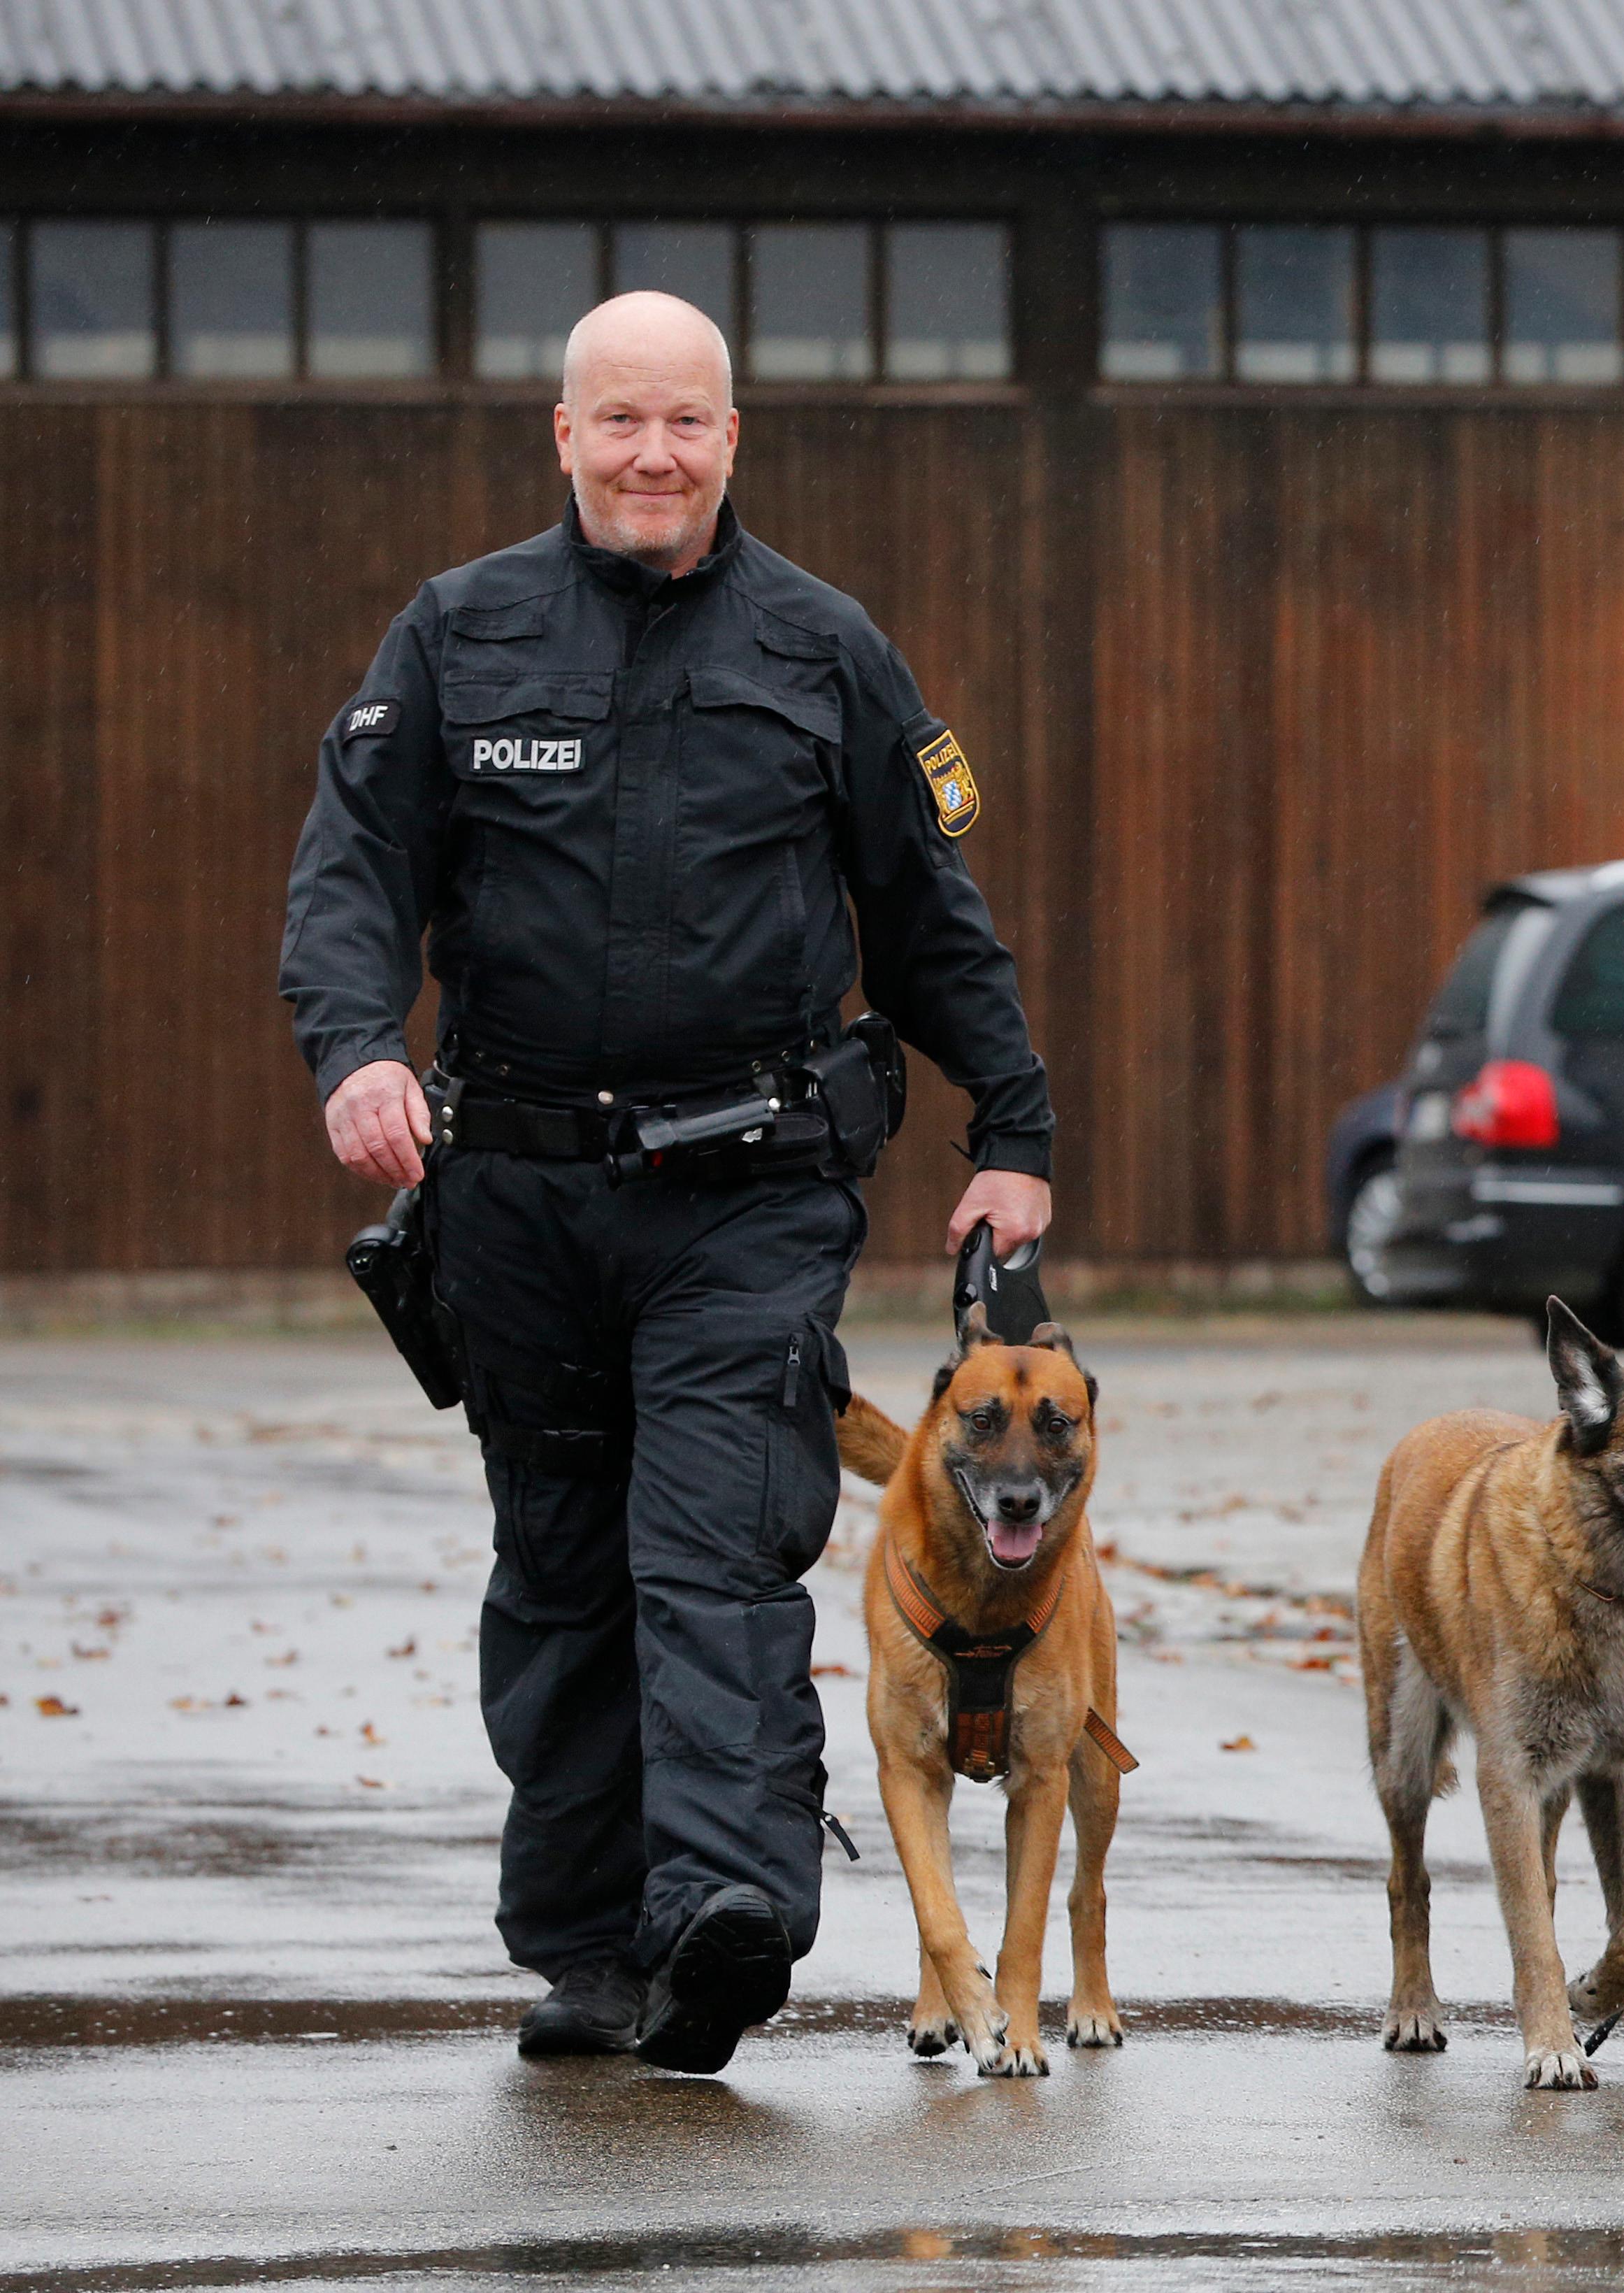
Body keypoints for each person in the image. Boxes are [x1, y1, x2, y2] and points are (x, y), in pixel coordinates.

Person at [280, 292, 1057, 2074]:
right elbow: (351, 878)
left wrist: (1012, 1132)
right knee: (559, 1575)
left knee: (709, 1544)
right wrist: (357, 1050)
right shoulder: (459, 636)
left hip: (747, 1195)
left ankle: (724, 1914)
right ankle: (586, 1945)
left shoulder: (825, 649)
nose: (652, 455)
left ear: (734, 437)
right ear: (563, 435)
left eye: (685, 424)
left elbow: (932, 919)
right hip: (520, 1201)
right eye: (619, 422)